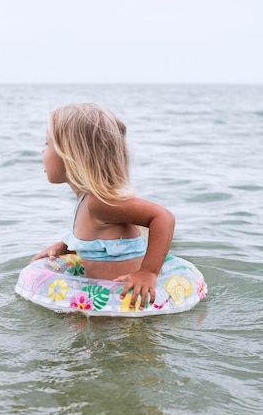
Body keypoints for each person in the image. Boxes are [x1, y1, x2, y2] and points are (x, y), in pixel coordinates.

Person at [31, 103, 175, 311]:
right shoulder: (87, 201)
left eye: (47, 143)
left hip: (128, 309)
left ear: (70, 154)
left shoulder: (99, 203)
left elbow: (163, 217)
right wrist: (67, 245)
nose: (43, 151)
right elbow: (100, 241)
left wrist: (148, 272)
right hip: (110, 309)